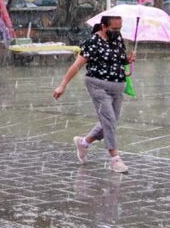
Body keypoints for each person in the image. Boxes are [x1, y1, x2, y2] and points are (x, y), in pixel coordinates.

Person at [53, 15, 135, 173]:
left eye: (119, 28)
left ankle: (84, 142)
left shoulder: (118, 40)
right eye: (114, 29)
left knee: (109, 123)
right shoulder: (92, 42)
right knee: (109, 120)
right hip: (98, 85)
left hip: (118, 87)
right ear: (104, 26)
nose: (117, 32)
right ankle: (114, 159)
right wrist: (62, 86)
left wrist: (128, 59)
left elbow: (117, 59)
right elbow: (77, 65)